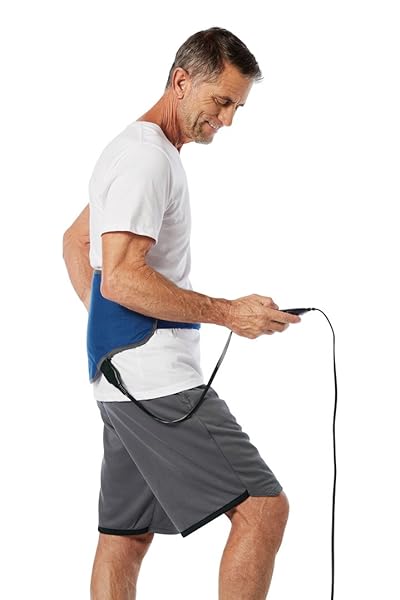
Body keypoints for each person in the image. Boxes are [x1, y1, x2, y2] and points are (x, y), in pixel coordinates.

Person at [63, 26, 301, 600]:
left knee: (125, 537)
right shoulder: (148, 159)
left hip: (122, 381)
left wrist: (113, 335)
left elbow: (77, 242)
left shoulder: (133, 149)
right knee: (263, 508)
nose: (227, 119)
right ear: (180, 81)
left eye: (237, 107)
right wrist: (228, 313)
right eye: (221, 101)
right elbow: (121, 276)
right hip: (155, 382)